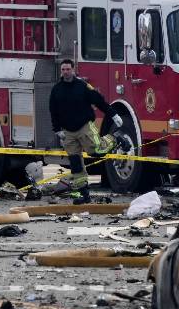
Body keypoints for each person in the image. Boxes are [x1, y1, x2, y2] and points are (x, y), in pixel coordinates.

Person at [48, 59, 132, 204]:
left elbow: (99, 101)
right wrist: (57, 130)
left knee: (96, 150)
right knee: (76, 164)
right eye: (63, 70)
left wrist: (113, 114)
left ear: (73, 70)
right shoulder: (56, 89)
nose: (66, 72)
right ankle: (84, 194)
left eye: (68, 69)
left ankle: (117, 139)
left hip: (85, 126)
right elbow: (53, 111)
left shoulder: (82, 86)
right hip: (67, 131)